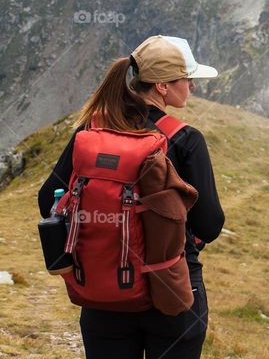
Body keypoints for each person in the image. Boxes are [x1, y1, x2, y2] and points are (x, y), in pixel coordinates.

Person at [38, 35, 225, 359]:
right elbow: (209, 225)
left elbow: (47, 200)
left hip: (106, 290)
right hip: (172, 293)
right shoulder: (185, 139)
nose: (191, 87)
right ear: (162, 87)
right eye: (187, 79)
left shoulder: (92, 131)